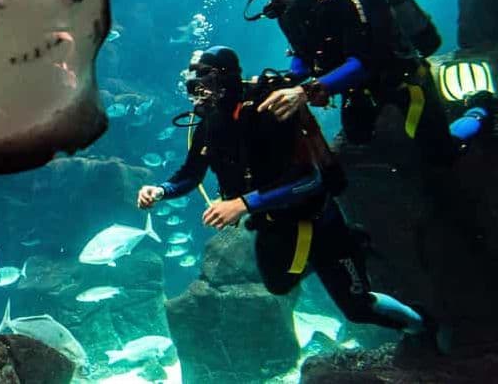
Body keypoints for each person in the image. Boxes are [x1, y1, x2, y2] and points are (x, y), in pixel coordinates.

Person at [137, 45, 435, 339]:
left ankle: (421, 323)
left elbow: (309, 180)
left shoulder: (267, 111)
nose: (199, 90)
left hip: (318, 223)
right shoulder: (209, 126)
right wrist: (161, 191)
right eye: (195, 83)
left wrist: (243, 203)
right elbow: (190, 174)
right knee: (277, 285)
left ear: (226, 77)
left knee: (357, 309)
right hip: (273, 226)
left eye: (206, 80)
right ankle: (344, 256)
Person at [243, 0, 495, 166]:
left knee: (442, 153)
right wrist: (286, 80)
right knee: (358, 137)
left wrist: (304, 92)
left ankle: (479, 108)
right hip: (359, 88)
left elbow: (364, 62)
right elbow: (303, 55)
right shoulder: (288, 15)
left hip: (400, 78)